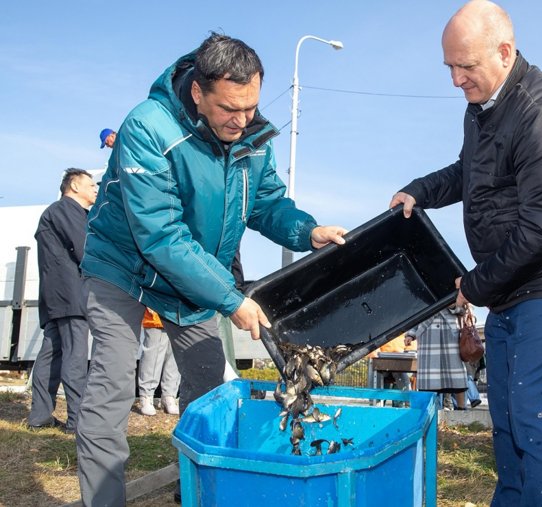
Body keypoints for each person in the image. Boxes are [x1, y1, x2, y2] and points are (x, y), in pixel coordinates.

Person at [76, 32, 347, 506]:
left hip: (194, 278)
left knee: (207, 393)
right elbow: (159, 236)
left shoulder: (253, 138)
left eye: (251, 107)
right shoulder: (148, 128)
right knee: (113, 385)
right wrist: (230, 298)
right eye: (229, 109)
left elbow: (266, 205)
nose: (242, 121)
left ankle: (199, 491)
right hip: (122, 270)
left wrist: (307, 232)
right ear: (199, 93)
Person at [389, 1, 542, 504]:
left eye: (466, 67)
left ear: (504, 52)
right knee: (507, 416)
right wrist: (420, 190)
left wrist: (477, 284)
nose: (456, 80)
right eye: (450, 67)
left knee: (538, 415)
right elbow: (470, 173)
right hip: (511, 286)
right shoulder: (484, 110)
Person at [28, 169, 98, 434]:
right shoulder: (67, 210)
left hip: (56, 296)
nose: (95, 188)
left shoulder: (56, 212)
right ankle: (77, 420)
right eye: (90, 184)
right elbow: (85, 250)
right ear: (75, 185)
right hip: (70, 295)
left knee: (52, 354)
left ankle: (40, 416)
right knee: (75, 356)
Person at [404, 307, 468, 411]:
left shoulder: (455, 291)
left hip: (450, 335)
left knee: (457, 375)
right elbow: (415, 313)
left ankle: (462, 410)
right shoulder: (422, 293)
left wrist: (453, 306)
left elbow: (464, 311)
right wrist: (410, 334)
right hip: (427, 336)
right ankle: (428, 414)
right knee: (428, 382)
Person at [137, 309, 180, 416]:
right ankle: (146, 396)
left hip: (180, 314)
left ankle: (169, 396)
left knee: (175, 355)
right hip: (156, 312)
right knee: (152, 355)